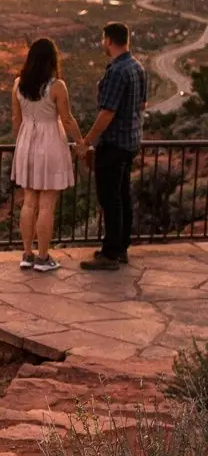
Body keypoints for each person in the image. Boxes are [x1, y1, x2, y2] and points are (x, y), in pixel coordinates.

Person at [78, 21, 147, 270]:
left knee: (110, 199)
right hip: (130, 143)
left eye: (103, 39)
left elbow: (107, 112)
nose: (102, 44)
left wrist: (87, 141)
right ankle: (120, 247)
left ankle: (110, 254)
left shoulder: (117, 71)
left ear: (108, 40)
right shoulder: (137, 67)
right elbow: (142, 106)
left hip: (114, 144)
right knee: (122, 196)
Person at [11, 37, 84, 273]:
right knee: (46, 205)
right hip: (50, 143)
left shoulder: (18, 84)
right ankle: (43, 258)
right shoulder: (57, 86)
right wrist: (81, 142)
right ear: (52, 60)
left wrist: (20, 144)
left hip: (26, 143)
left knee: (29, 201)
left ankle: (27, 254)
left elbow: (16, 119)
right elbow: (67, 119)